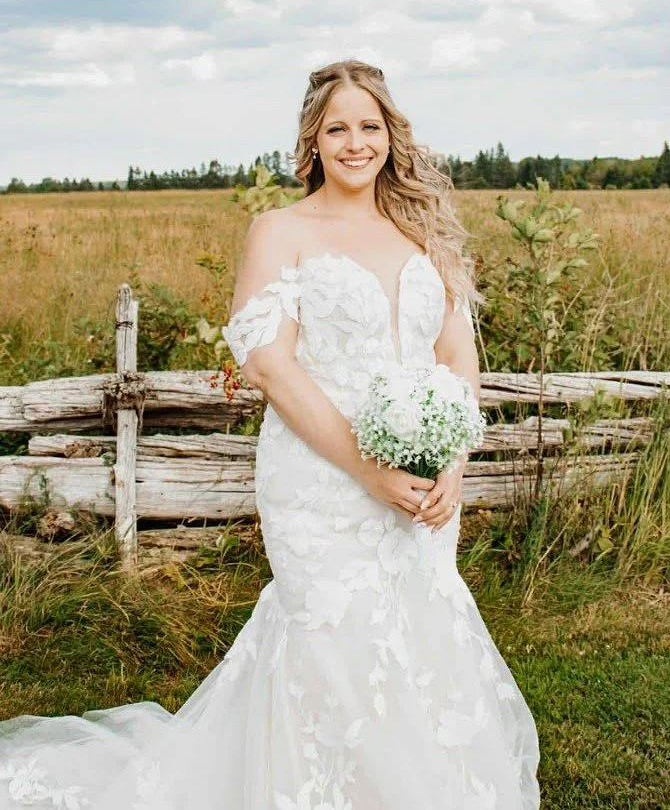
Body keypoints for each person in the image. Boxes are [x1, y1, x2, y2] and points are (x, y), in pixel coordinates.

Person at [0, 59, 540, 809]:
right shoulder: (281, 231)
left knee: (419, 625)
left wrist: (452, 461)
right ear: (312, 140)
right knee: (329, 632)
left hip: (422, 480)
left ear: (392, 135)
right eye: (338, 129)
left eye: (370, 126)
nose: (356, 143)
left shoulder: (425, 232)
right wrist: (367, 469)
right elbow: (268, 365)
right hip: (321, 475)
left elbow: (457, 358)